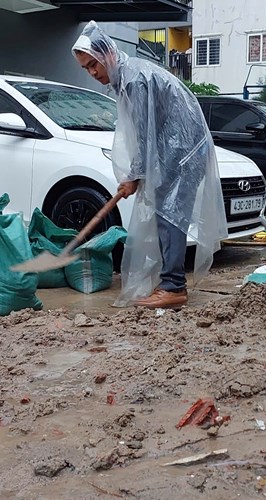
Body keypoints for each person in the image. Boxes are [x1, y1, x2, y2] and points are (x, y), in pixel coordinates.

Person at [72, 21, 227, 310]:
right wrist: (139, 173)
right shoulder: (130, 75)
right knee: (165, 215)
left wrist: (135, 175)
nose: (93, 73)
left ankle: (174, 287)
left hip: (183, 152)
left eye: (93, 65)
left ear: (107, 55)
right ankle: (169, 281)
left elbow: (146, 134)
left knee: (171, 216)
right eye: (86, 69)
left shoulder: (134, 80)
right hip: (177, 149)